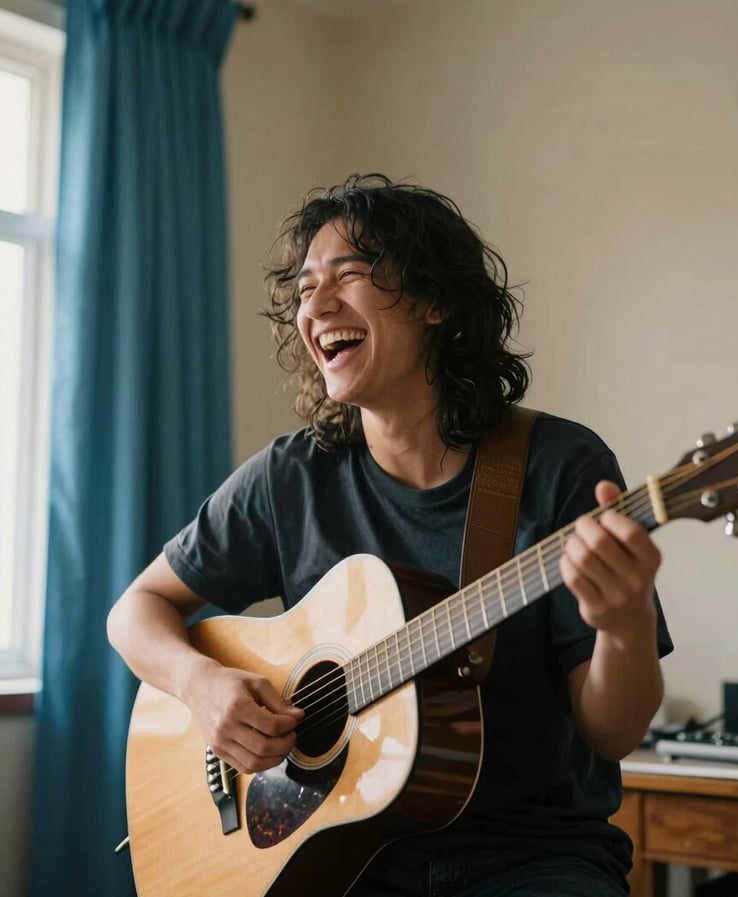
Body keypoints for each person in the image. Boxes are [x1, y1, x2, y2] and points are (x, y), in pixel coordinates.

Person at [107, 173, 673, 897]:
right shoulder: (290, 479)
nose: (316, 305)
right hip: (341, 856)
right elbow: (134, 611)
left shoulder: (559, 467)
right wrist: (201, 682)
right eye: (306, 287)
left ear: (437, 301)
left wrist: (623, 625)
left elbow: (614, 734)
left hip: (532, 857)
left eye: (350, 275)